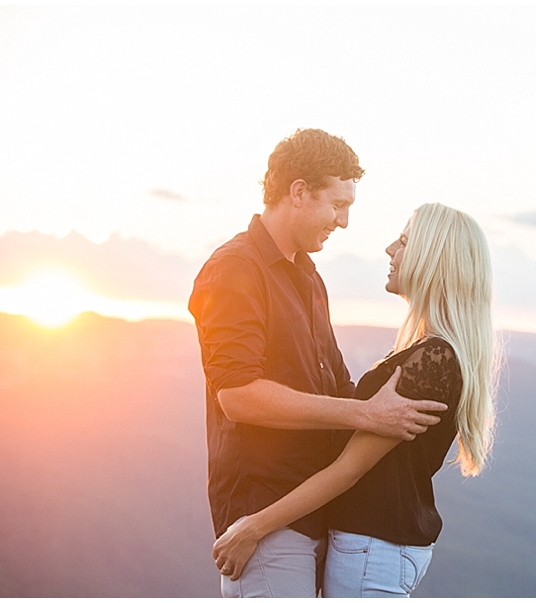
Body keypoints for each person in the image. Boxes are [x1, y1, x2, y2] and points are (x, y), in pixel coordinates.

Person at [188, 129, 448, 598]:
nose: (344, 222)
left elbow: (337, 385)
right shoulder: (235, 269)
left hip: (314, 514)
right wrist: (366, 415)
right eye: (338, 205)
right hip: (265, 513)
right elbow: (238, 395)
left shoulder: (308, 276)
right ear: (299, 192)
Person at [212, 203, 498, 598]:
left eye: (403, 242)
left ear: (433, 259)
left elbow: (350, 469)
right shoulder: (431, 354)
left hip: (372, 552)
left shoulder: (432, 361)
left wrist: (254, 526)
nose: (388, 250)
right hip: (376, 550)